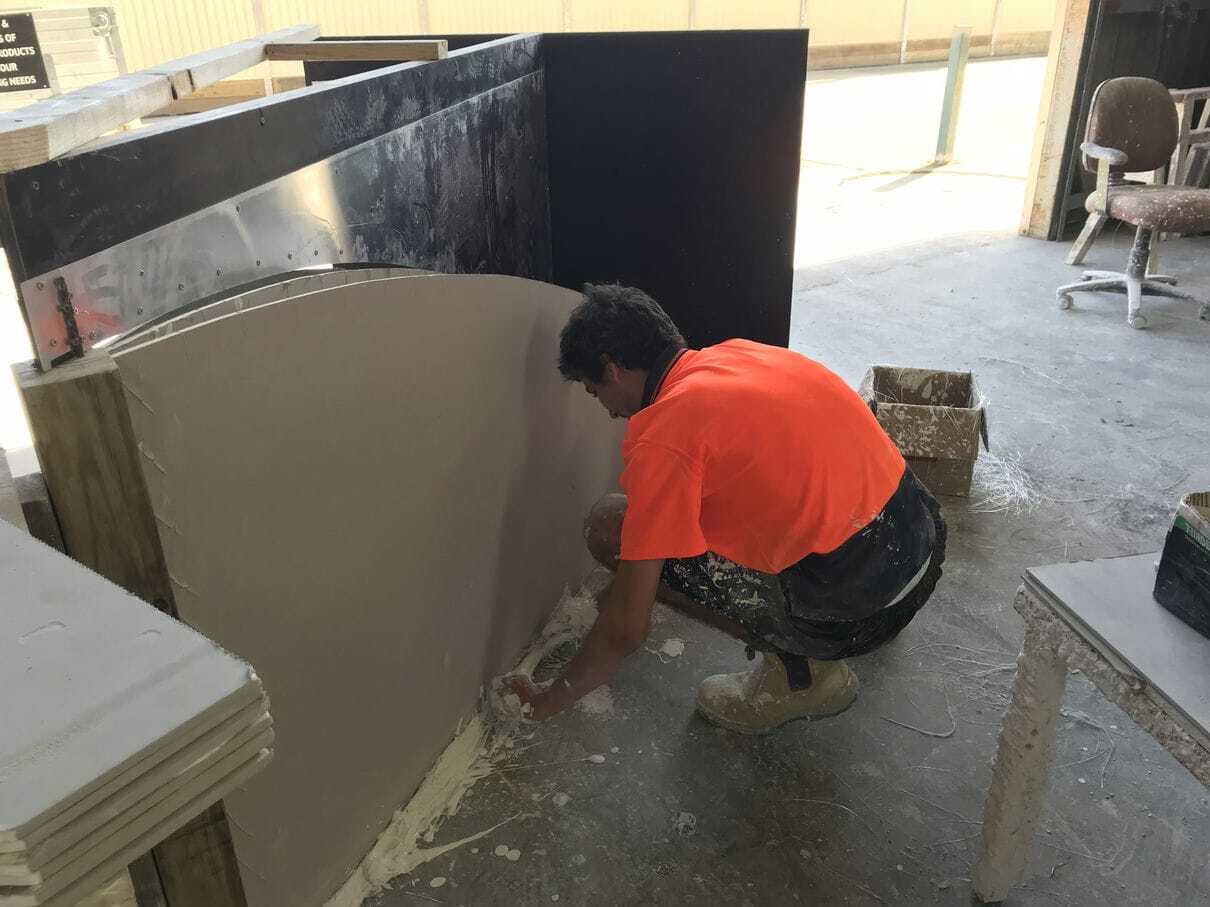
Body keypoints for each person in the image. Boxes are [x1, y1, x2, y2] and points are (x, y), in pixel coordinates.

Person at [509, 284, 946, 734]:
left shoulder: (666, 433)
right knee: (675, 525)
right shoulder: (737, 355)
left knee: (609, 528)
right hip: (919, 544)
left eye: (593, 391)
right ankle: (849, 607)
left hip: (866, 613)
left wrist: (546, 700)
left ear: (613, 370)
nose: (604, 410)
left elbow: (626, 628)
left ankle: (805, 676)